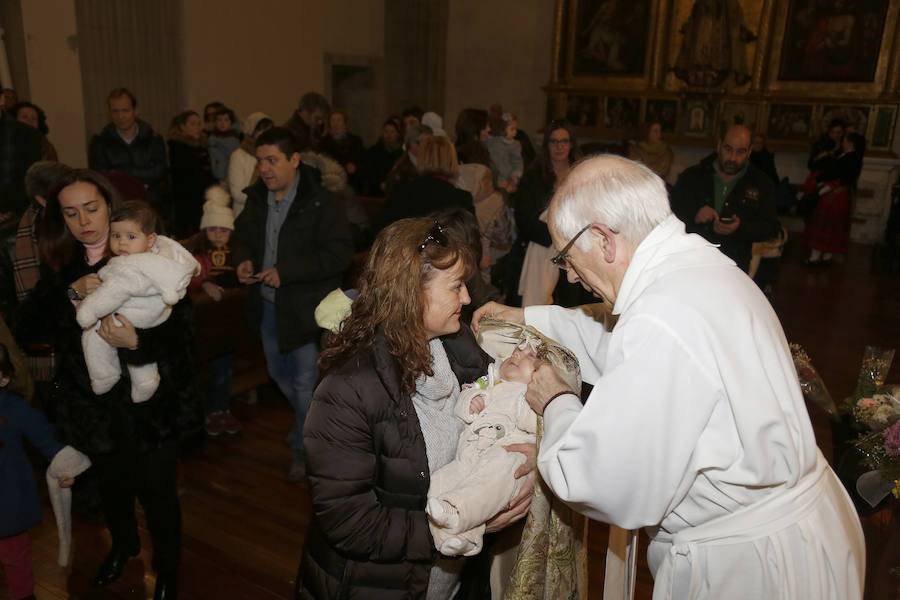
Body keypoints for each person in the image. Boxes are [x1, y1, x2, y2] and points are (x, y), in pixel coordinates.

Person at [473, 154, 865, 600]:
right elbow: (616, 341)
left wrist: (556, 400)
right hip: (799, 529)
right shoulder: (695, 268)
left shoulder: (661, 317)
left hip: (748, 566)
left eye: (567, 258)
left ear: (602, 239)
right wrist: (528, 316)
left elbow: (607, 481)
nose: (574, 277)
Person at [295, 217, 535, 599]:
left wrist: (523, 451)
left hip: (452, 583)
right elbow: (350, 522)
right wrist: (463, 526)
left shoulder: (459, 350)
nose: (468, 298)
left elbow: (497, 413)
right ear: (412, 292)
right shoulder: (348, 390)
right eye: (456, 286)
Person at [15, 169, 201, 600]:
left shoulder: (152, 255)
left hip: (151, 405)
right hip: (97, 408)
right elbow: (28, 326)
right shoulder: (65, 269)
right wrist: (71, 296)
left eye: (92, 208)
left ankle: (167, 568)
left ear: (109, 203)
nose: (84, 221)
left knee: (158, 495)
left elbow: (184, 340)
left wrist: (138, 342)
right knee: (112, 489)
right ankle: (123, 546)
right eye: (72, 213)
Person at [232, 127, 353, 482]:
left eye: (272, 160)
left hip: (305, 307)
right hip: (268, 305)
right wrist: (243, 259)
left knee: (304, 381)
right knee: (277, 373)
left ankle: (306, 447)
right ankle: (305, 422)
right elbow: (242, 236)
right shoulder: (257, 198)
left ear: (294, 160)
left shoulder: (322, 201)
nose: (265, 169)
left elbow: (338, 254)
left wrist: (286, 271)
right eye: (261, 161)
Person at [75, 201, 199, 403]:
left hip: (141, 325)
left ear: (150, 240)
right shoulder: (161, 262)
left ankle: (104, 375)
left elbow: (112, 294)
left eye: (130, 237)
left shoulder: (129, 267)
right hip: (147, 319)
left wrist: (88, 312)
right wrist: (75, 292)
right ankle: (141, 380)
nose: (122, 243)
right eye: (116, 236)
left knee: (92, 336)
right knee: (102, 337)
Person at [426, 344, 544, 557]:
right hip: (468, 456)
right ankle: (454, 539)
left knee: (490, 481)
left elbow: (541, 426)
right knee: (439, 482)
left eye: (530, 355)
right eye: (517, 349)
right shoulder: (488, 381)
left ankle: (459, 511)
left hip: (504, 456)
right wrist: (471, 401)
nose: (517, 353)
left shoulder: (527, 396)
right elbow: (461, 407)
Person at [0, 342, 90, 600]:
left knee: (14, 553)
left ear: (4, 378)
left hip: (7, 494)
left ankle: (23, 595)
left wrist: (66, 466)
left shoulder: (14, 409)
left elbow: (47, 438)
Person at [670, 124, 779, 273]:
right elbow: (669, 214)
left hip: (734, 266)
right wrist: (694, 212)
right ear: (719, 145)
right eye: (728, 149)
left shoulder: (762, 183)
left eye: (740, 152)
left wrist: (740, 228)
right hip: (691, 262)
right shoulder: (692, 176)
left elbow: (770, 228)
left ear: (749, 152)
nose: (733, 158)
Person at [184, 187, 245, 435]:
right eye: (213, 229)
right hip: (200, 323)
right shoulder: (195, 253)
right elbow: (187, 278)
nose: (218, 235)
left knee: (223, 370)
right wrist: (205, 283)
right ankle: (209, 412)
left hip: (224, 323)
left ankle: (221, 410)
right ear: (204, 230)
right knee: (207, 372)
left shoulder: (236, 253)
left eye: (224, 230)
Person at [510, 119, 583, 307]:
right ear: (547, 145)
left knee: (570, 309)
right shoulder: (533, 176)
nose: (559, 146)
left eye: (564, 141)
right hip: (538, 249)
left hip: (574, 253)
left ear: (571, 144)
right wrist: (555, 234)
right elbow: (524, 218)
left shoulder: (582, 176)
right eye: (554, 141)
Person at [88, 88, 167, 211]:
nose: (120, 116)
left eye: (125, 111)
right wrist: (140, 178)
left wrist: (121, 171)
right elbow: (100, 178)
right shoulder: (100, 141)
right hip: (117, 206)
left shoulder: (153, 138)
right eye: (115, 111)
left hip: (151, 205)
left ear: (136, 111)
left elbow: (158, 172)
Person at [375, 136, 474, 230]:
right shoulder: (462, 198)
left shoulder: (401, 192)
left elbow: (380, 230)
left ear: (421, 158)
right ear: (452, 161)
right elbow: (471, 241)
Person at [802, 132, 865, 265]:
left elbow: (845, 177)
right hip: (834, 194)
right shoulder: (843, 155)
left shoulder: (852, 157)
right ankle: (824, 256)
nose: (842, 142)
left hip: (836, 195)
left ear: (850, 143)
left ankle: (819, 256)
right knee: (829, 225)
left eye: (845, 139)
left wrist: (826, 188)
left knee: (827, 226)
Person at [167, 110, 217, 237]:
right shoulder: (178, 147)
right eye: (193, 124)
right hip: (188, 202)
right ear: (182, 127)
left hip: (204, 199)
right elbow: (191, 176)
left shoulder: (203, 146)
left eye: (199, 124)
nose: (197, 128)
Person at [0, 91, 41, 223]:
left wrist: (6, 210)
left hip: (14, 218)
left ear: (1, 100)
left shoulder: (26, 135)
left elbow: (29, 180)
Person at [227, 112, 273, 218]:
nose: (267, 133)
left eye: (269, 130)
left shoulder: (273, 155)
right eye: (262, 130)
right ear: (252, 132)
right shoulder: (238, 156)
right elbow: (237, 194)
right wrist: (264, 195)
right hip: (245, 214)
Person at [318, 108, 365, 193]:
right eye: (333, 121)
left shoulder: (356, 141)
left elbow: (362, 160)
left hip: (352, 182)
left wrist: (355, 166)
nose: (336, 124)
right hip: (331, 182)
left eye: (339, 120)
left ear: (345, 123)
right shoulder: (323, 143)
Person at [383, 123, 432, 198]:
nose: (429, 148)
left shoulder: (430, 164)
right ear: (411, 143)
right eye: (424, 143)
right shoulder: (401, 169)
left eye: (430, 144)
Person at [361, 117, 403, 196]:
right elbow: (369, 170)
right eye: (386, 131)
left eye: (392, 132)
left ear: (397, 134)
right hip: (376, 191)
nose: (388, 135)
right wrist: (379, 183)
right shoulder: (373, 151)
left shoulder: (401, 153)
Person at [484, 112, 523, 193]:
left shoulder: (515, 145)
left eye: (516, 129)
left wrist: (515, 176)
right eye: (512, 129)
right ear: (502, 129)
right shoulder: (494, 141)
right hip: (493, 177)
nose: (515, 132)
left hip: (507, 178)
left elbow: (518, 162)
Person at [208, 106, 242, 183]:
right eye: (219, 120)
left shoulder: (233, 140)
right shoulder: (212, 138)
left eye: (226, 120)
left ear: (231, 122)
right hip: (215, 176)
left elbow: (235, 160)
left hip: (229, 176)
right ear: (215, 122)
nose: (222, 123)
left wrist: (229, 176)